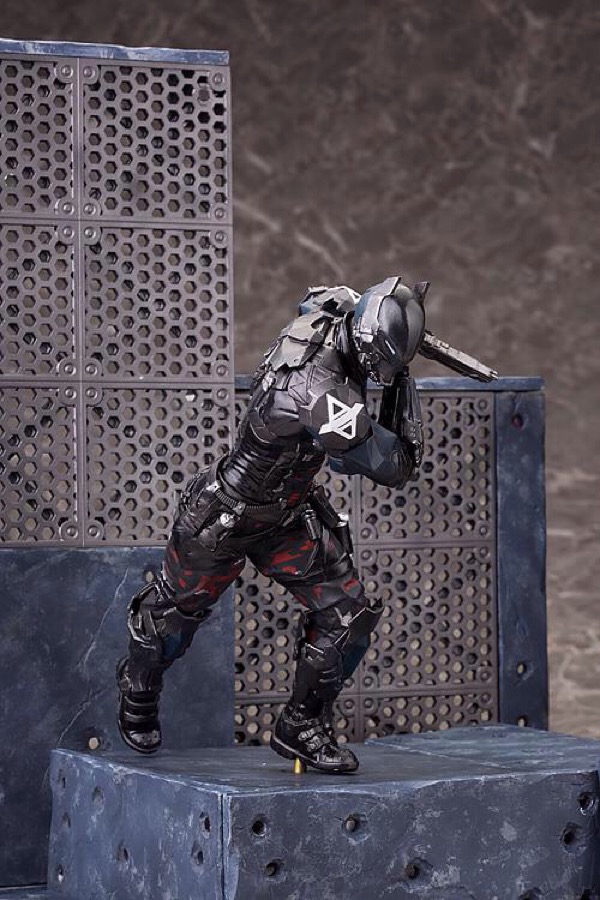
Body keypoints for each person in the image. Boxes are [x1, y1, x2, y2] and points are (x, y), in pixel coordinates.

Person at [117, 275, 427, 774]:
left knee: (348, 616)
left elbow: (323, 295)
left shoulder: (334, 315)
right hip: (226, 516)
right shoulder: (320, 393)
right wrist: (403, 382)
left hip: (287, 515)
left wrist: (395, 342)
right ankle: (137, 686)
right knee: (169, 622)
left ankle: (300, 726)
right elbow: (394, 466)